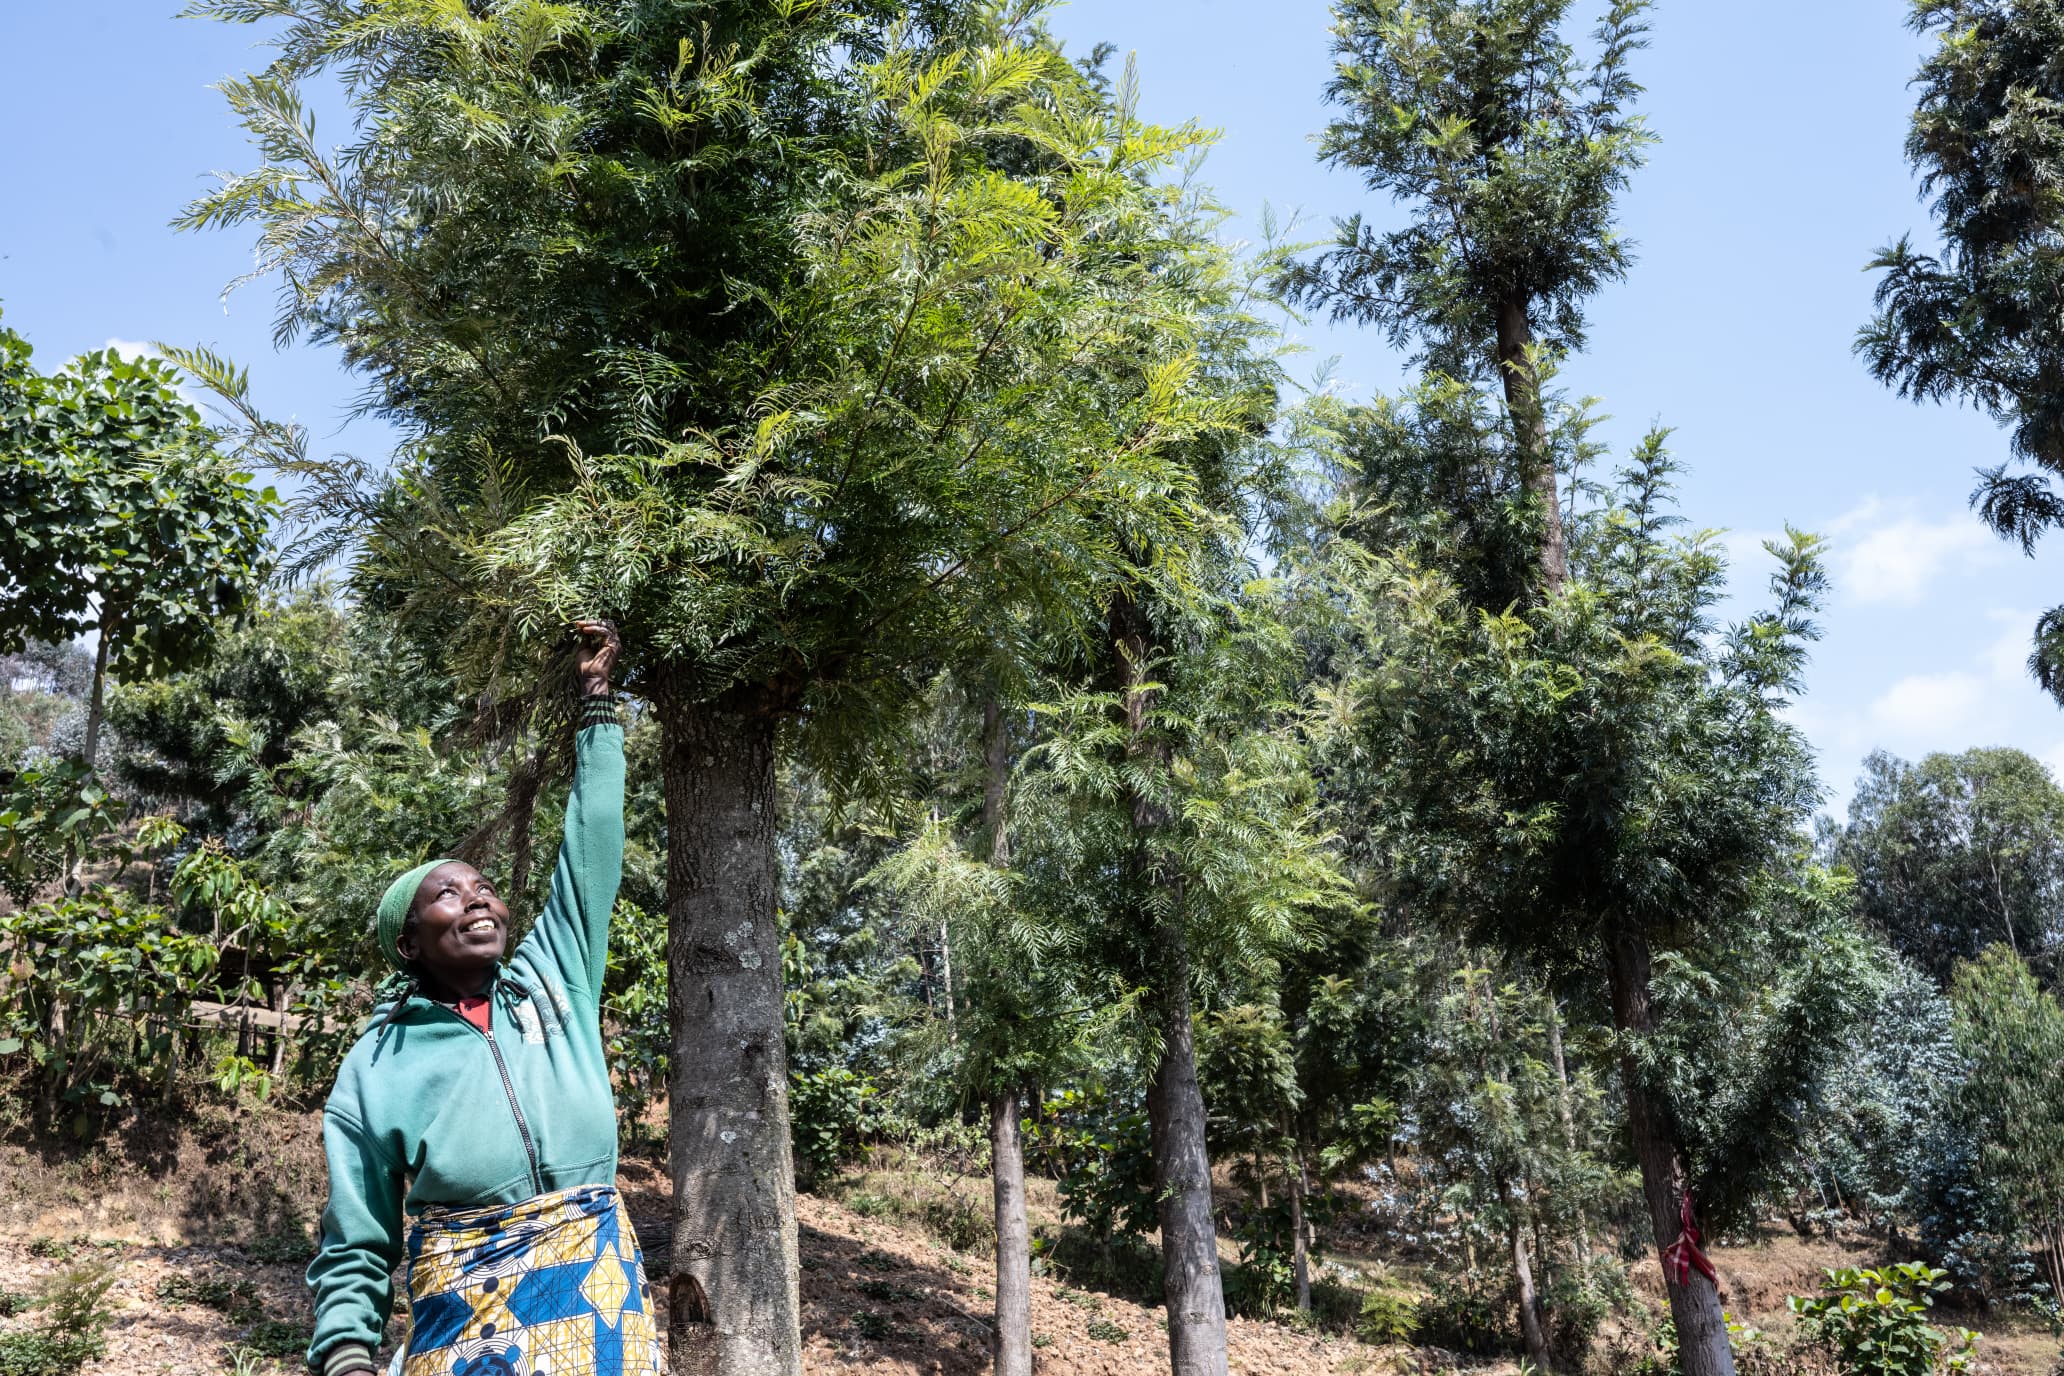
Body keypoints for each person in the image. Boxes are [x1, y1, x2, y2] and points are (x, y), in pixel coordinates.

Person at [306, 620, 663, 1376]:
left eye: (485, 889)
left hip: (600, 1309)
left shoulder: (555, 978)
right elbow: (356, 1236)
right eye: (447, 894)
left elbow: (593, 842)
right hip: (469, 1324)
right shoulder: (377, 1071)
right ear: (408, 943)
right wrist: (346, 1355)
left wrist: (597, 699)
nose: (477, 901)